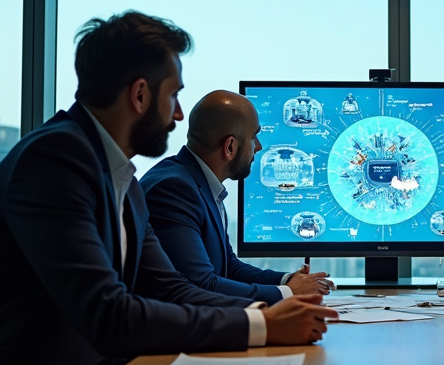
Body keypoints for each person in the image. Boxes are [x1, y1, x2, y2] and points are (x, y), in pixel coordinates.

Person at [0, 12, 336, 365]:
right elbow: (108, 314)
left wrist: (267, 315)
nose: (179, 115)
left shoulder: (119, 177)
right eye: (174, 95)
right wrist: (262, 325)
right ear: (141, 94)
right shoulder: (54, 160)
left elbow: (172, 289)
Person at [141, 90, 333, 304]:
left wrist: (289, 280)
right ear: (230, 146)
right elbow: (200, 285)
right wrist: (288, 293)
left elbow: (228, 267)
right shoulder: (174, 190)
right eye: (254, 136)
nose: (258, 147)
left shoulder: (198, 183)